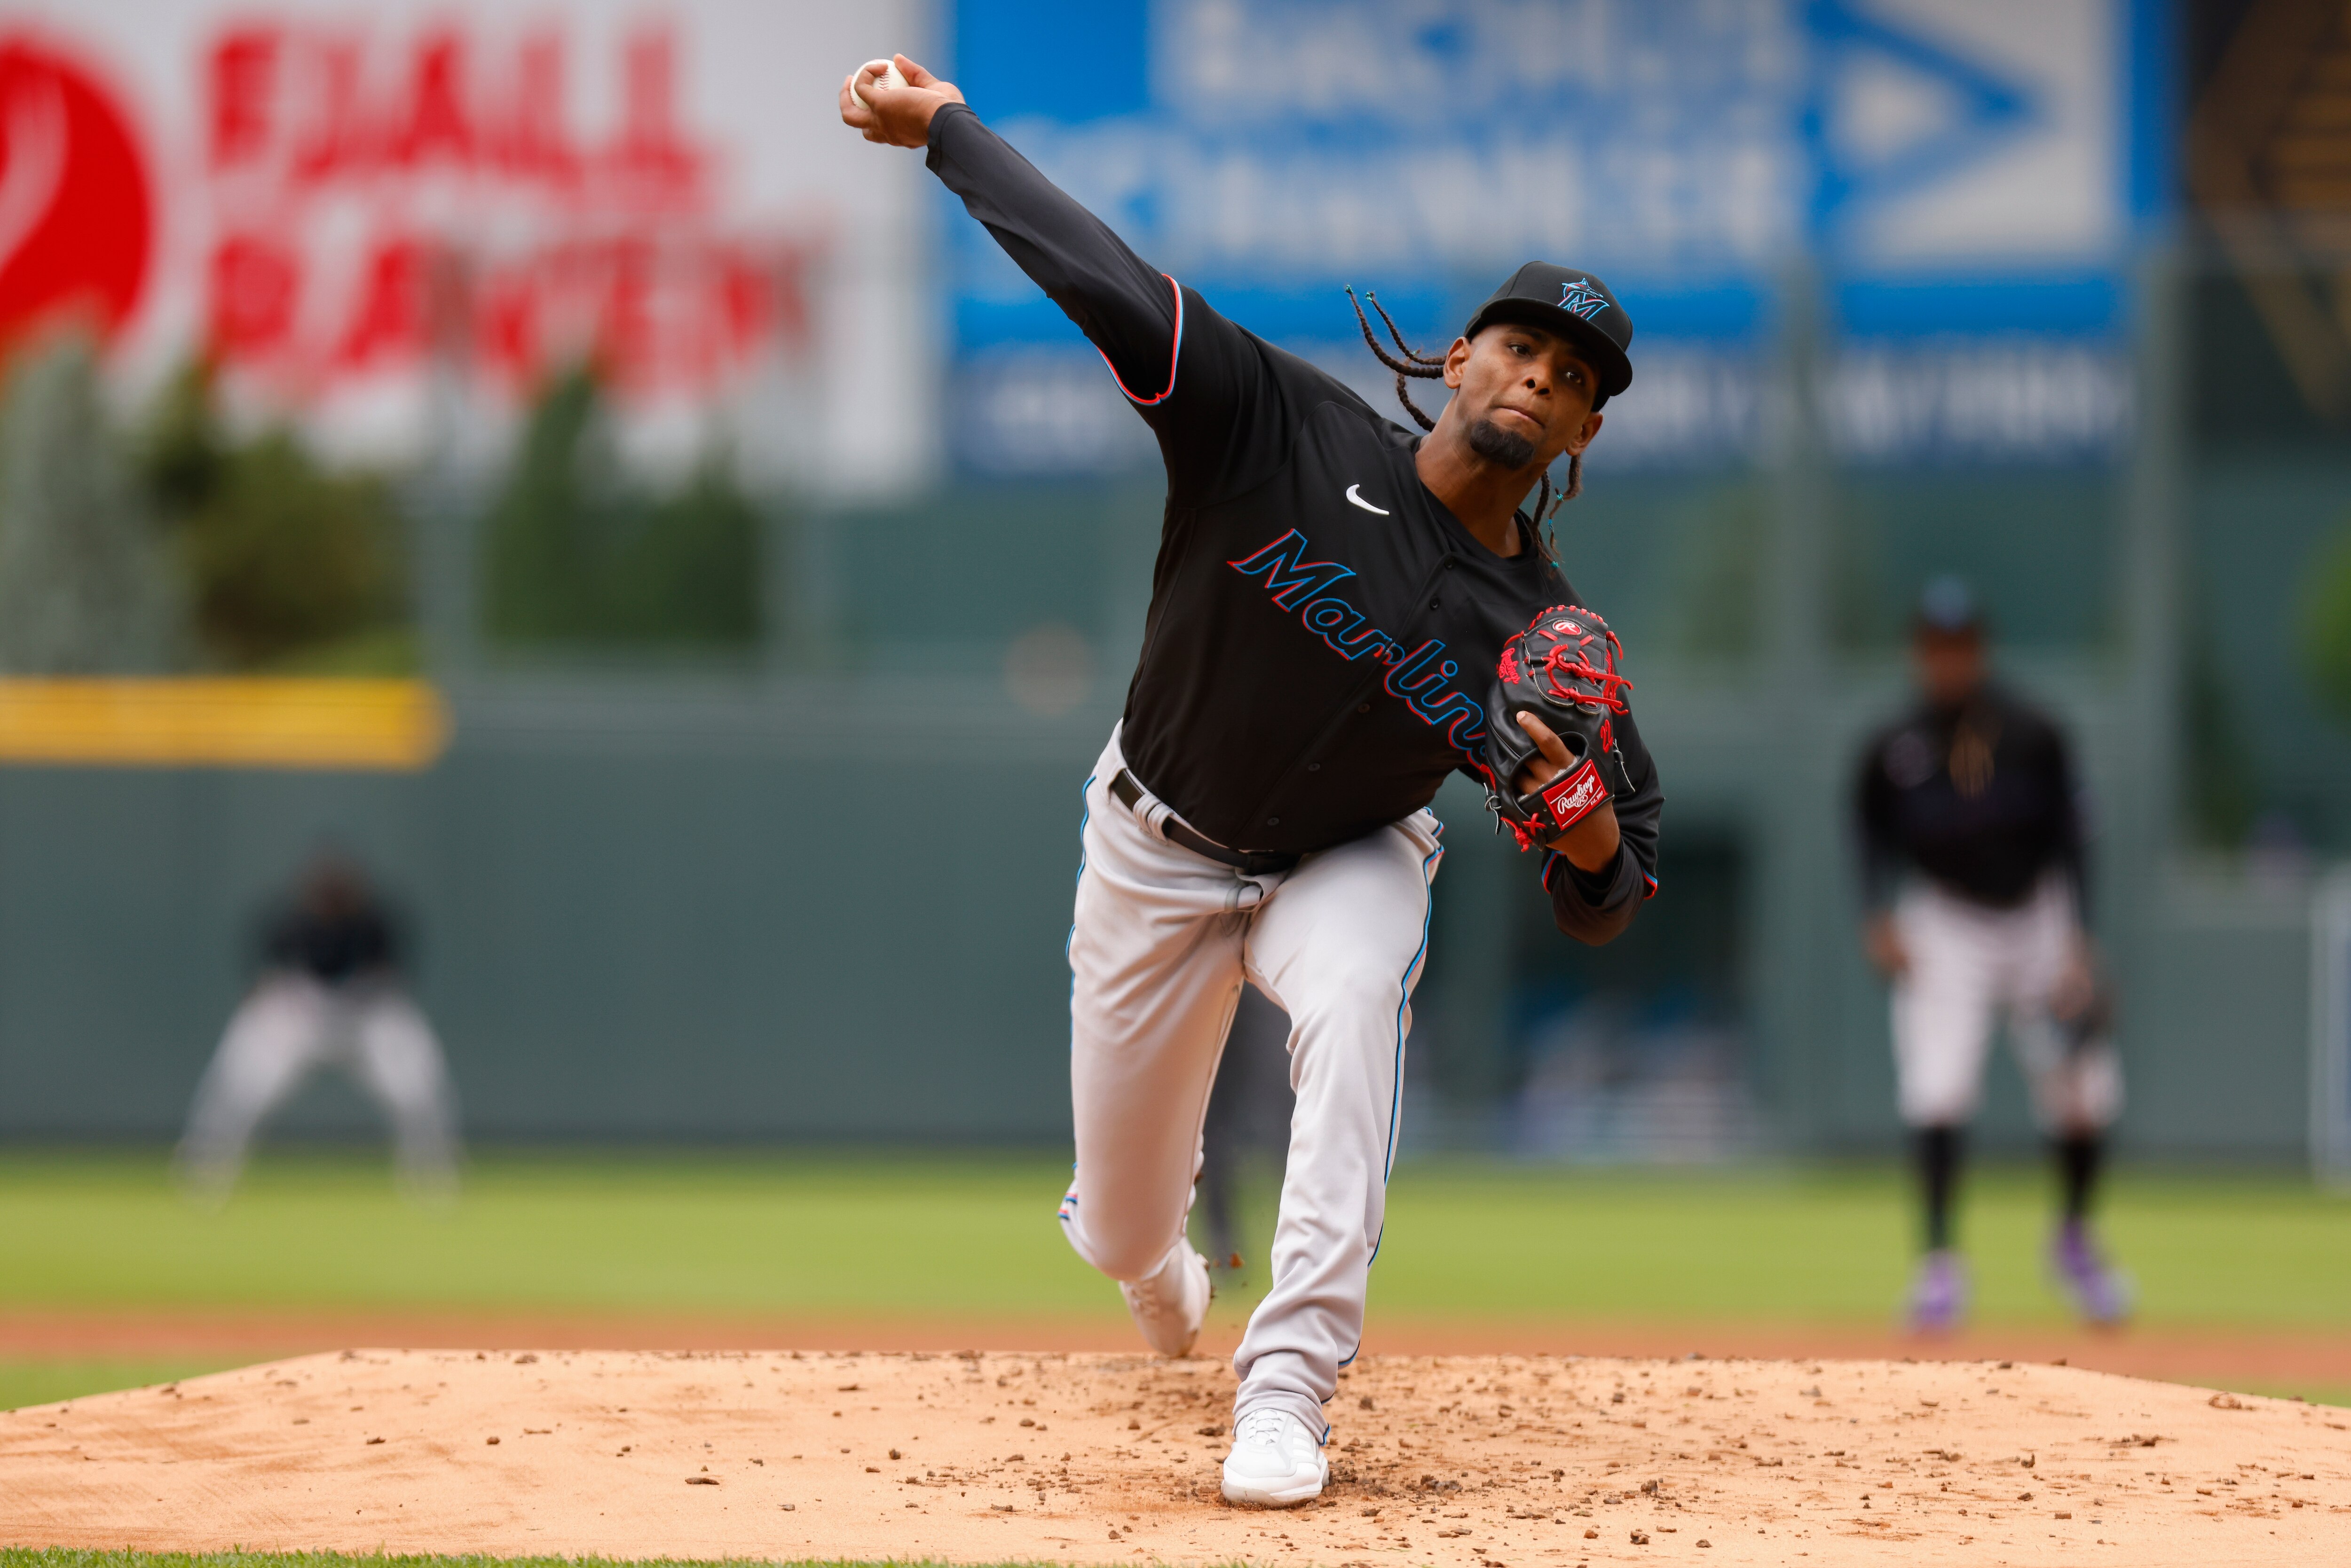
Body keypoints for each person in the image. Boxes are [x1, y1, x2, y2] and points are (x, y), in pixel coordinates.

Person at [841, 57, 1662, 1507]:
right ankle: (1148, 1257)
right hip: (1152, 846)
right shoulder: (1277, 426)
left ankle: (1284, 1385)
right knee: (1116, 1233)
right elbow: (1104, 277)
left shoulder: (1541, 647)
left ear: (1583, 433)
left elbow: (1609, 886)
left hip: (1342, 857)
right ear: (1461, 353)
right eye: (1523, 348)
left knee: (1357, 989)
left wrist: (1589, 835)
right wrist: (945, 133)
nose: (1541, 377)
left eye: (1574, 378)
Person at [1855, 577, 2127, 1333]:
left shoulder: (2035, 731)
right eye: (1935, 647)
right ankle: (1939, 1264)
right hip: (1944, 920)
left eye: (1959, 645)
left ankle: (2074, 1239)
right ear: (1920, 653)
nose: (1947, 660)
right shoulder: (1894, 746)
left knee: (2083, 1091)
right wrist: (1876, 912)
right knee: (1937, 1089)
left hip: (2038, 915)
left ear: (1979, 649)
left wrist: (2079, 936)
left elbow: (2075, 836)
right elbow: (1868, 832)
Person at [175, 851, 460, 1202]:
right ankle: (205, 1171)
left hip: (366, 1018)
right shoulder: (289, 923)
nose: (330, 899)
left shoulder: (373, 923)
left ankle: (434, 1175)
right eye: (324, 892)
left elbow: (394, 981)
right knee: (241, 1084)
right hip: (300, 1018)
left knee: (417, 1086)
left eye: (338, 891)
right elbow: (262, 985)